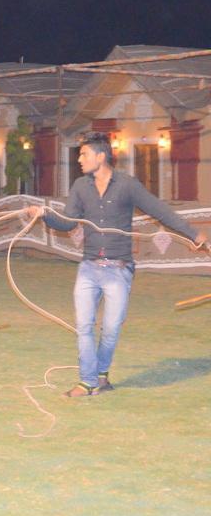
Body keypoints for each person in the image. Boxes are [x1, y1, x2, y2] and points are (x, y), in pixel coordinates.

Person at [25, 132, 208, 397]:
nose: (79, 159)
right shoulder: (80, 187)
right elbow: (67, 223)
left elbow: (161, 211)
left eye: (84, 154)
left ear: (101, 156)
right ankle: (87, 382)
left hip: (119, 270)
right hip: (88, 268)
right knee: (84, 327)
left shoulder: (128, 186)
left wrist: (194, 234)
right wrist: (44, 214)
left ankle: (101, 376)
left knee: (110, 330)